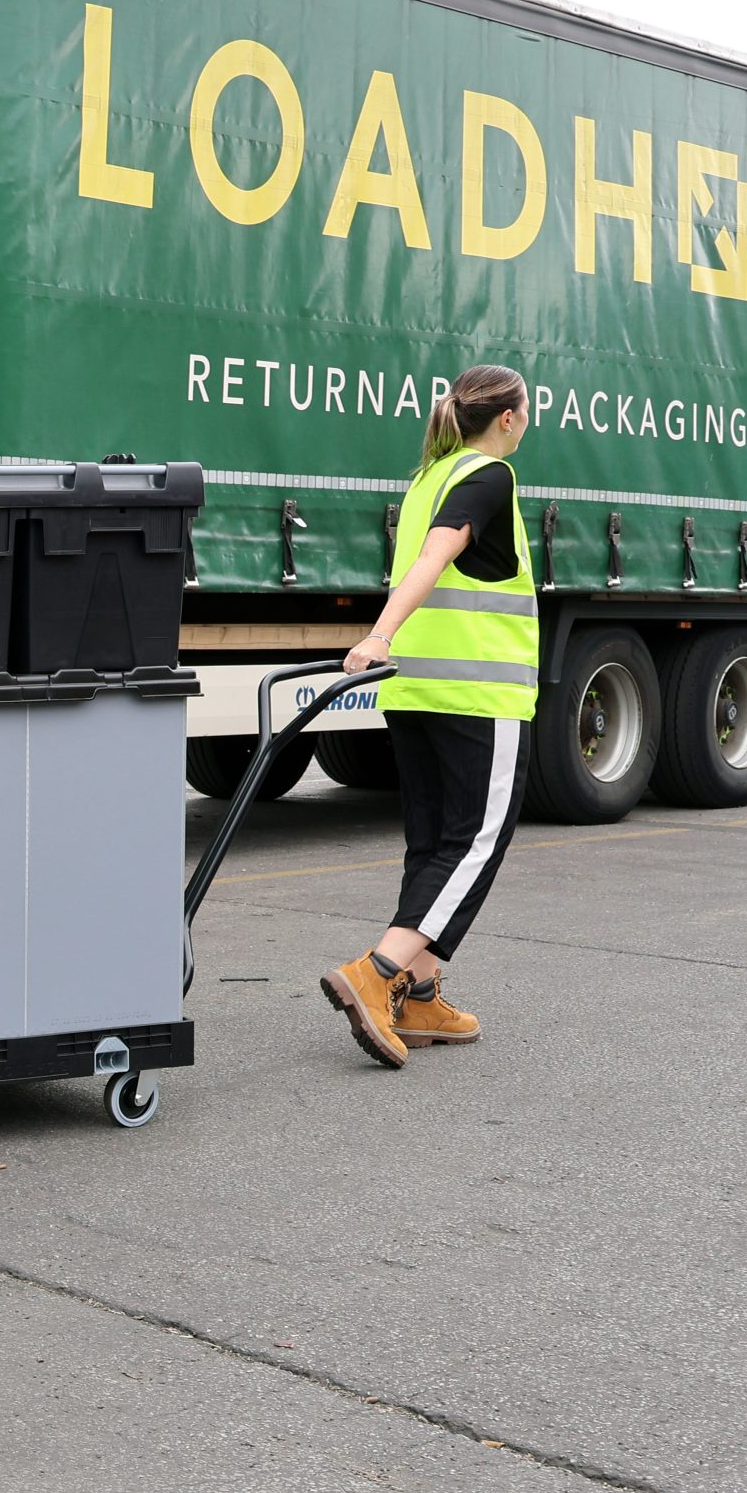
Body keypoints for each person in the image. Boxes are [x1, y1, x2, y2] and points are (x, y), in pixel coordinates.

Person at [321, 364, 537, 1068]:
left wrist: (385, 646)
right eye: (527, 410)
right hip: (478, 695)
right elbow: (435, 559)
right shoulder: (489, 476)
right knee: (475, 842)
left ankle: (419, 992)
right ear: (507, 418)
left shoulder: (427, 477)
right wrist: (378, 633)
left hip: (415, 692)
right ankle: (376, 973)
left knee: (433, 842)